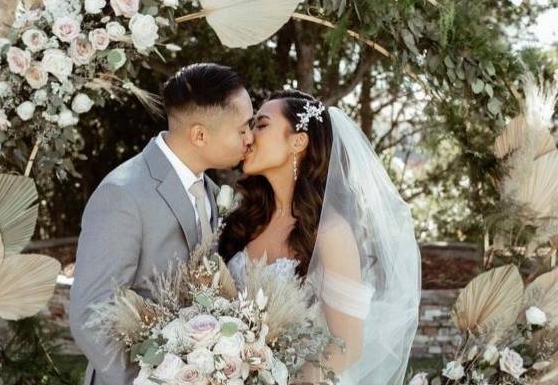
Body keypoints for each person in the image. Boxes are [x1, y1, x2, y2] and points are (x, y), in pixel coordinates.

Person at [70, 63, 255, 385]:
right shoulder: (123, 194)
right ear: (199, 134)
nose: (250, 138)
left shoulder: (210, 191)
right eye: (242, 129)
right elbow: (91, 316)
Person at [219, 90, 421, 384]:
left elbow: (347, 347)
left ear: (298, 141)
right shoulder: (244, 218)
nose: (249, 136)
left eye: (261, 125)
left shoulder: (331, 234)